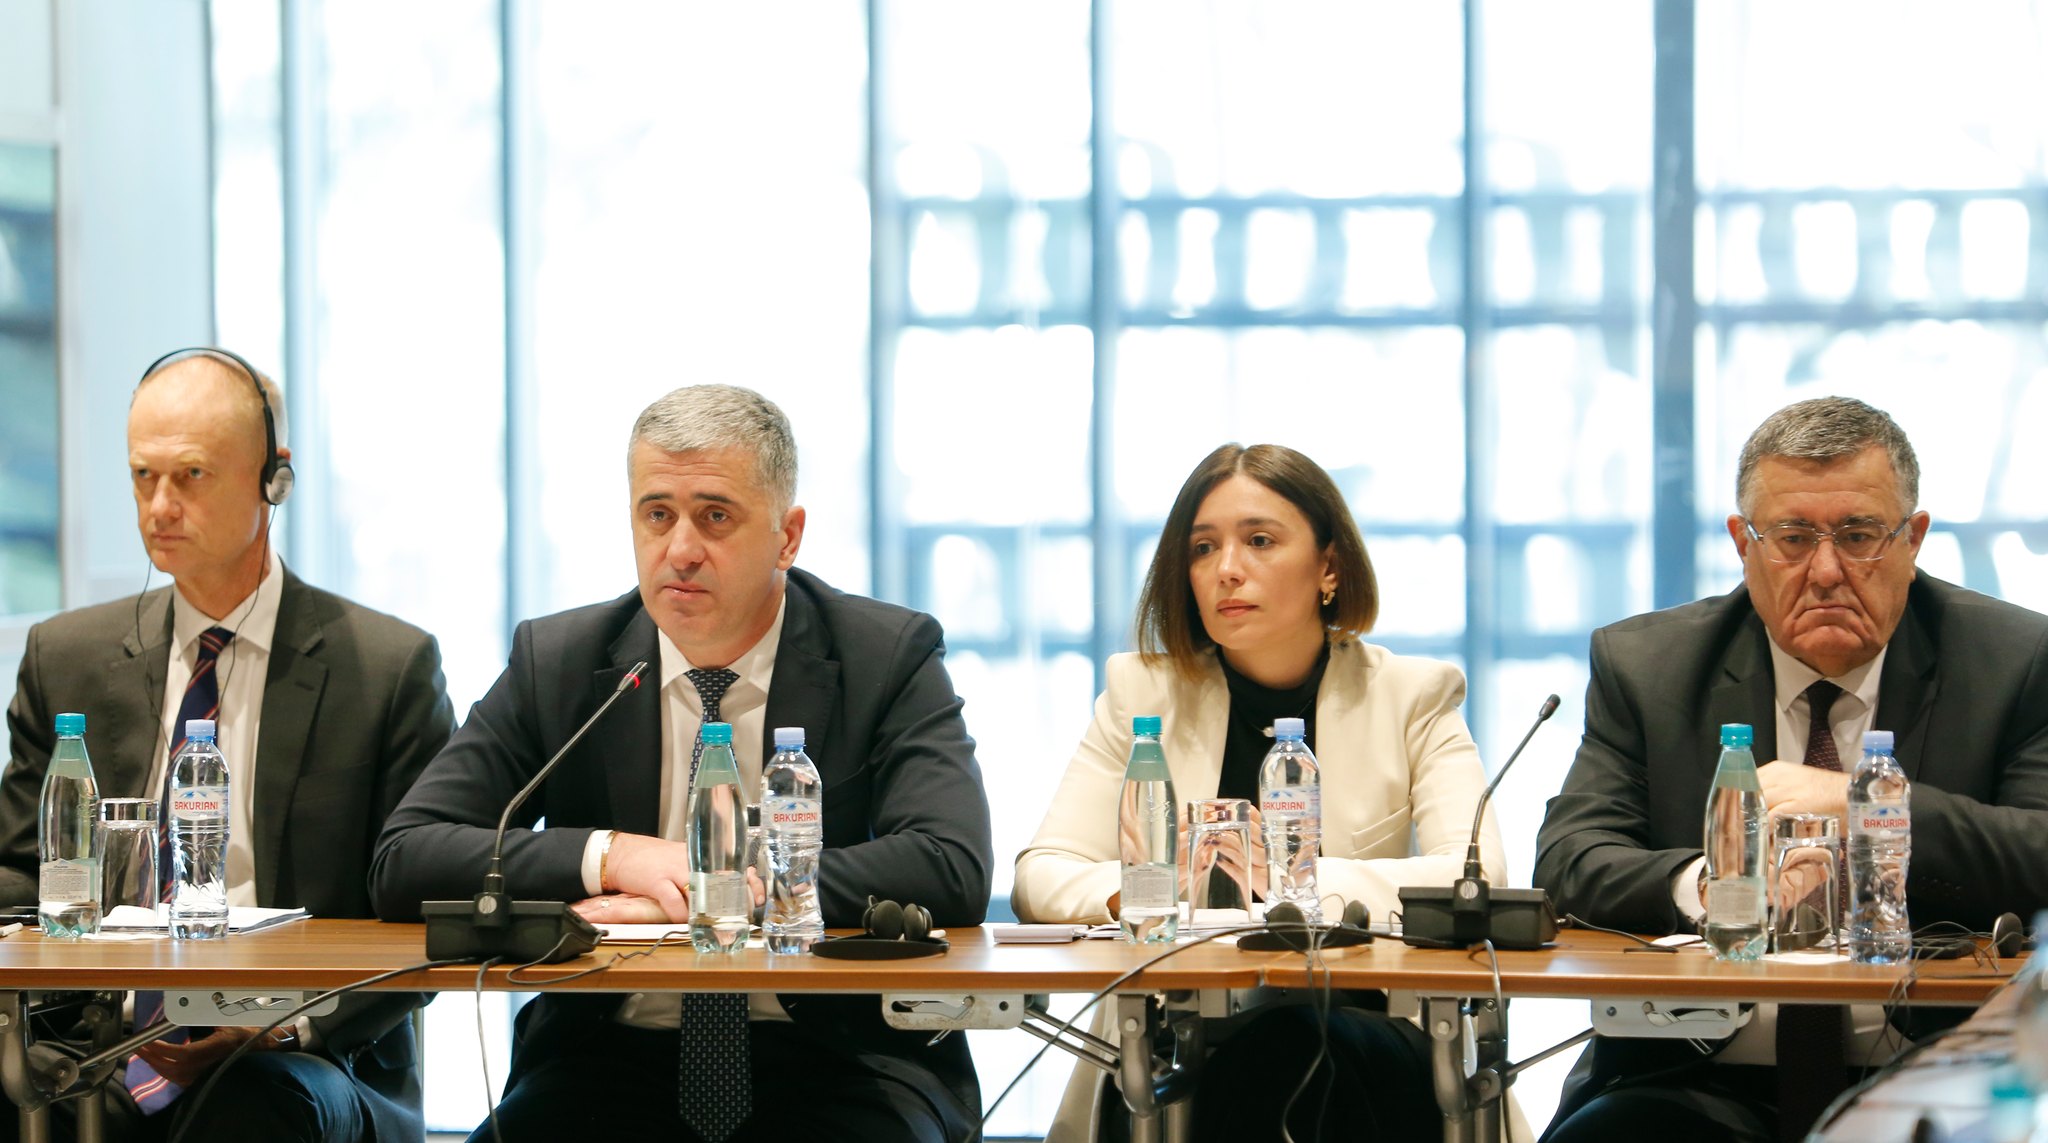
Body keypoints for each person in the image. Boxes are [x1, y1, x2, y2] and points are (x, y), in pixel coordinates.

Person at [370, 383, 994, 1143]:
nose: (681, 550)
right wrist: (614, 857)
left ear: (788, 537)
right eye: (657, 514)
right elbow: (407, 855)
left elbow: (950, 864)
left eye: (716, 516)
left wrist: (716, 889)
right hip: (606, 1059)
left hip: (842, 1056)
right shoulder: (561, 661)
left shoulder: (884, 655)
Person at [1534, 396, 2048, 1143]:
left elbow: (2040, 850)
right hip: (1692, 1074)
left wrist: (1864, 805)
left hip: (1931, 1074)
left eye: (1859, 535)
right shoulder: (1648, 666)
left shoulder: (2013, 660)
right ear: (1743, 544)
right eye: (1793, 538)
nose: (1827, 571)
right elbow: (1571, 858)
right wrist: (1718, 885)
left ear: (1913, 541)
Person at [0, 348, 456, 1142]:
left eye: (191, 476)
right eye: (143, 476)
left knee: (247, 1109)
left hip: (301, 1051)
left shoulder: (385, 670)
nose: (159, 506)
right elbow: (17, 877)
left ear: (272, 479)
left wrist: (279, 1025)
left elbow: (424, 918)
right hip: (96, 1040)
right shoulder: (65, 659)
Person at [1013, 442, 1506, 1142]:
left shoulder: (1411, 696)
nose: (1227, 568)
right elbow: (1042, 873)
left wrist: (1285, 883)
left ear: (1329, 567)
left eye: (1260, 541)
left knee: (1292, 1052)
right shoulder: (1142, 693)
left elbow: (1479, 877)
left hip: (1365, 1029)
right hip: (1176, 1034)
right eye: (1203, 548)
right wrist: (1157, 890)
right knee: (1236, 1069)